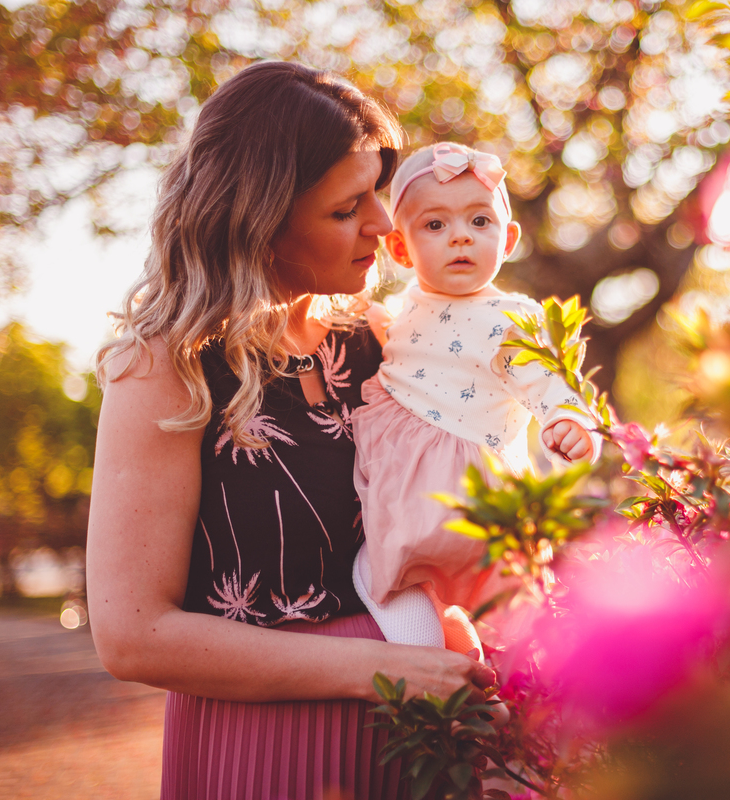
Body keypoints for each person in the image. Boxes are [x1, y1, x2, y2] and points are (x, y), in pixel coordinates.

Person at [86, 63, 495, 800]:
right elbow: (132, 632)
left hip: (422, 732)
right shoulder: (163, 368)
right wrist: (382, 672)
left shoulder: (386, 342)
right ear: (260, 222)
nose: (381, 222)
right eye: (347, 209)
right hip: (263, 747)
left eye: (378, 190)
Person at [350, 142, 601, 653]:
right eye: (435, 226)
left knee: (505, 624)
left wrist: (570, 421)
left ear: (506, 239)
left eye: (479, 222)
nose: (460, 235)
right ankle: (460, 663)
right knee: (457, 621)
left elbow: (550, 384)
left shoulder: (511, 318)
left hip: (459, 504)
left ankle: (486, 694)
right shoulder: (399, 312)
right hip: (427, 512)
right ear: (401, 249)